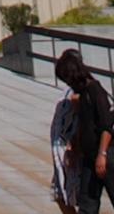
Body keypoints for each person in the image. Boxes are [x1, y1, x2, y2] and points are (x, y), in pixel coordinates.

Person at [55, 49, 114, 214]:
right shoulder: (83, 94)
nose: (68, 84)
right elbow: (85, 125)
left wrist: (102, 155)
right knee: (87, 205)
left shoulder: (95, 90)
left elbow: (106, 126)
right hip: (90, 157)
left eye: (67, 79)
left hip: (107, 156)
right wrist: (76, 146)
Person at [50, 83, 79, 213]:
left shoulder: (85, 92)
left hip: (73, 153)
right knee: (59, 194)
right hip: (61, 151)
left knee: (81, 197)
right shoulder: (67, 92)